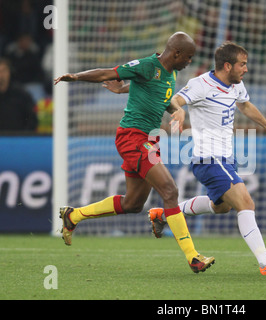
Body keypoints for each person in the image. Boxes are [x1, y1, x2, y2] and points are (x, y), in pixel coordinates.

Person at [106, 42, 266, 275]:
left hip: (227, 157)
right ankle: (265, 262)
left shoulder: (236, 84)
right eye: (242, 64)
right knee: (246, 203)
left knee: (221, 207)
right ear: (227, 66)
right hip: (209, 158)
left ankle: (162, 214)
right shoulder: (200, 85)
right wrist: (177, 110)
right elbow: (172, 97)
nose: (246, 69)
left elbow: (245, 105)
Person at [53, 32, 215, 274]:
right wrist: (76, 76)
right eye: (188, 57)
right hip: (133, 137)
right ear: (177, 53)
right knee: (170, 190)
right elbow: (107, 73)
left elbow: (160, 96)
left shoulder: (170, 74)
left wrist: (177, 110)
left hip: (147, 139)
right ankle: (193, 257)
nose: (189, 62)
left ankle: (73, 216)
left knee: (133, 203)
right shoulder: (147, 65)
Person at [0, 57, 38, 132]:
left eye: (3, 71)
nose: (1, 75)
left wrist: (23, 138)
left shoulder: (22, 95)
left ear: (9, 72)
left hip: (18, 140)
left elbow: (32, 120)